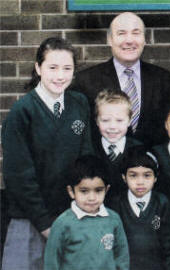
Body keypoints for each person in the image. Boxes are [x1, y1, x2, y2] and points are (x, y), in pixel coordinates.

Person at [1, 37, 93, 270]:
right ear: (38, 68)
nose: (60, 75)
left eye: (67, 68)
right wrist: (44, 224)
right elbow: (19, 176)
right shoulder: (22, 113)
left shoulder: (79, 104)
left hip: (71, 215)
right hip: (31, 220)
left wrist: (81, 210)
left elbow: (86, 160)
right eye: (52, 67)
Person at [72, 12, 170, 147]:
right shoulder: (85, 80)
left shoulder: (164, 80)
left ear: (144, 39)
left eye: (136, 33)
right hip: (104, 164)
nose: (129, 40)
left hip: (151, 164)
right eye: (121, 33)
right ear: (109, 39)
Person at [44, 155, 129, 270]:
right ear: (71, 192)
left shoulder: (113, 219)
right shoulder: (62, 223)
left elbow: (122, 257)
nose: (92, 198)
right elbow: (51, 262)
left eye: (98, 191)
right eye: (84, 191)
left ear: (106, 190)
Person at [109, 146, 170, 270]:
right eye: (133, 175)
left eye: (147, 175)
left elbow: (168, 245)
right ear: (124, 177)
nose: (140, 182)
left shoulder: (162, 203)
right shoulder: (116, 204)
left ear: (155, 177)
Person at [94, 90, 142, 199]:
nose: (112, 126)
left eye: (119, 120)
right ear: (97, 121)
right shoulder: (91, 148)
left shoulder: (139, 150)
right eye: (105, 120)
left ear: (129, 120)